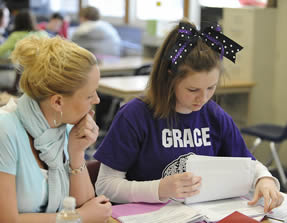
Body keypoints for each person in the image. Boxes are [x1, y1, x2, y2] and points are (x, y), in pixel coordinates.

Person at [94, 20, 284, 213]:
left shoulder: (214, 115)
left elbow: (249, 165)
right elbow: (105, 185)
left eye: (211, 87)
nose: (203, 98)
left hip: (199, 215)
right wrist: (158, 189)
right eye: (192, 89)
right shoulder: (135, 116)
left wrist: (264, 179)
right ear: (169, 78)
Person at [0, 35, 112, 223]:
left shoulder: (65, 127)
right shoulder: (0, 129)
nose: (97, 101)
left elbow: (84, 205)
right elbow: (4, 220)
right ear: (58, 101)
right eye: (89, 96)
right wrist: (78, 218)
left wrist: (76, 153)